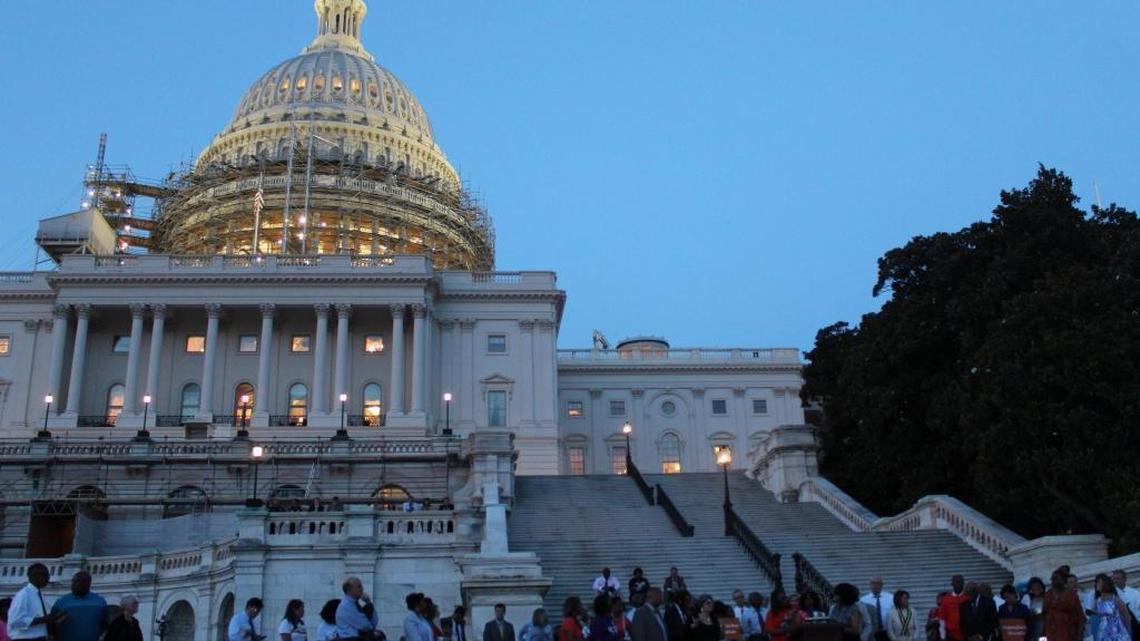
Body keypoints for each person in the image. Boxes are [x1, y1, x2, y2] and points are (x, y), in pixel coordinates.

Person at [50, 570, 108, 641]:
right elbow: (51, 624)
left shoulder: (100, 602)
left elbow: (104, 624)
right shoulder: (61, 602)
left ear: (89, 583)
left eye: (82, 581)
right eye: (74, 581)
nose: (76, 584)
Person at [1044, 570, 1084, 641]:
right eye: (1053, 579)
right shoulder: (1048, 595)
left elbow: (1080, 616)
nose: (1055, 581)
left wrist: (1080, 635)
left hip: (1069, 634)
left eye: (1058, 579)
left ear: (1063, 580)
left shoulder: (1072, 596)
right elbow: (1043, 615)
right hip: (1052, 634)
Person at [1092, 574, 1132, 641]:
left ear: (1105, 583)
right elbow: (1096, 617)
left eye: (1098, 582)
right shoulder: (1097, 601)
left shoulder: (1116, 599)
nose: (1096, 584)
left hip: (1118, 632)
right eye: (1096, 582)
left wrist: (1129, 632)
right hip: (1103, 633)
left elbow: (1127, 616)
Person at [939, 576, 970, 641]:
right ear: (952, 584)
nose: (959, 585)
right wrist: (943, 636)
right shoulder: (946, 599)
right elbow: (942, 619)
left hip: (966, 634)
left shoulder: (968, 598)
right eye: (957, 582)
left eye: (961, 582)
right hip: (951, 635)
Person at [1112, 571, 1140, 640]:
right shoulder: (1112, 594)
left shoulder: (1134, 592)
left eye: (1118, 578)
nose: (1115, 581)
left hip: (1137, 625)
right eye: (1114, 579)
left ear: (1124, 579)